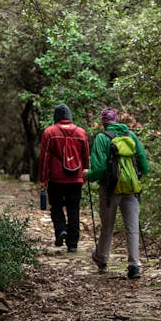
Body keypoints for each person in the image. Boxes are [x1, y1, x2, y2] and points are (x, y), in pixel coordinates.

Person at [85, 107, 149, 279]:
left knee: (107, 225)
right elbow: (143, 162)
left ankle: (102, 258)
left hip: (110, 188)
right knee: (132, 227)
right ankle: (134, 265)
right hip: (131, 188)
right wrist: (136, 177)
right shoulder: (131, 136)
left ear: (104, 123)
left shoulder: (102, 138)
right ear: (118, 120)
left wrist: (88, 175)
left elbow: (98, 169)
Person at [39, 103, 89, 252]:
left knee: (56, 207)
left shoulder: (49, 132)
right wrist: (85, 174)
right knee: (74, 209)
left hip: (55, 179)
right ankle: (73, 244)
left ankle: (61, 230)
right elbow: (86, 156)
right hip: (76, 179)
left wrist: (43, 179)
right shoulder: (81, 132)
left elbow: (44, 158)